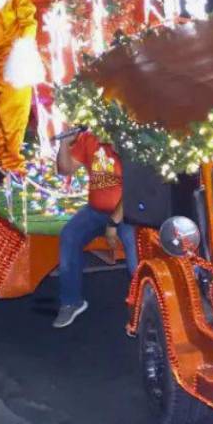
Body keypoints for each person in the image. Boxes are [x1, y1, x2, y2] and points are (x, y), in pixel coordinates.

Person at [54, 128, 135, 328]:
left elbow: (134, 188)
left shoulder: (128, 141)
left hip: (124, 214)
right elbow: (65, 169)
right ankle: (71, 302)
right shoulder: (89, 138)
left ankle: (141, 307)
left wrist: (113, 223)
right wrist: (64, 143)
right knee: (69, 236)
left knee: (135, 254)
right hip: (95, 210)